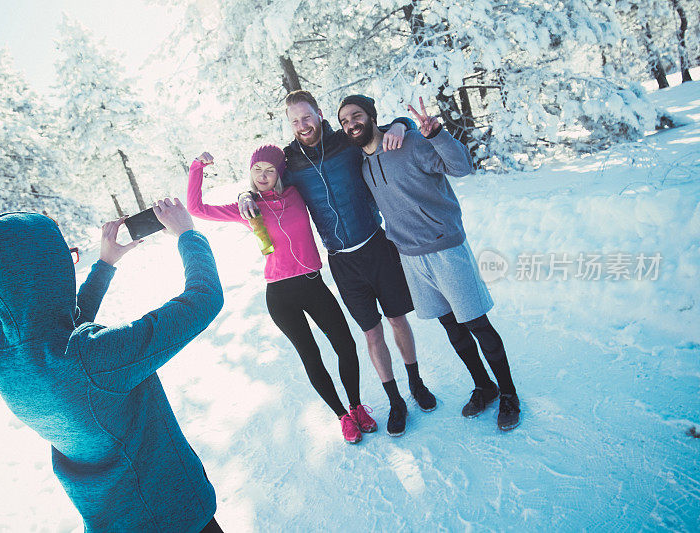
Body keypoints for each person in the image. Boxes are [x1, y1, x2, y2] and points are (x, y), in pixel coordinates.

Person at [0, 200, 227, 532]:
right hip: (170, 513)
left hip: (112, 519)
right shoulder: (93, 358)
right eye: (64, 259)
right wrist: (188, 233)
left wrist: (105, 264)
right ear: (48, 274)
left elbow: (55, 330)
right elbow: (205, 298)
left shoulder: (6, 367)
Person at [239, 92, 435, 437]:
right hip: (342, 261)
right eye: (295, 121)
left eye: (307, 117)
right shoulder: (289, 162)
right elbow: (262, 178)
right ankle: (395, 401)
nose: (302, 125)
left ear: (318, 114)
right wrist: (245, 195)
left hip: (376, 244)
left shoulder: (345, 141)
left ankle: (416, 384)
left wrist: (403, 125)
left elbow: (380, 129)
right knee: (370, 331)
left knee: (397, 319)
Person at [337, 94, 521, 431]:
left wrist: (433, 133)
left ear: (373, 115)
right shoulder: (362, 166)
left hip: (445, 248)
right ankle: (484, 386)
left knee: (477, 324)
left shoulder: (409, 144)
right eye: (344, 121)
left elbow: (461, 167)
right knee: (451, 326)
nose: (351, 124)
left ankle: (509, 394)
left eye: (356, 115)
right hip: (410, 259)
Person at [187, 145, 376, 444]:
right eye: (257, 170)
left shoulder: (297, 192)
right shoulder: (249, 208)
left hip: (313, 284)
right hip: (279, 295)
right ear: (250, 173)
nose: (262, 176)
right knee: (311, 357)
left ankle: (356, 406)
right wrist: (198, 168)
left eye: (269, 169)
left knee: (345, 345)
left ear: (280, 172)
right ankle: (342, 416)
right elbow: (196, 209)